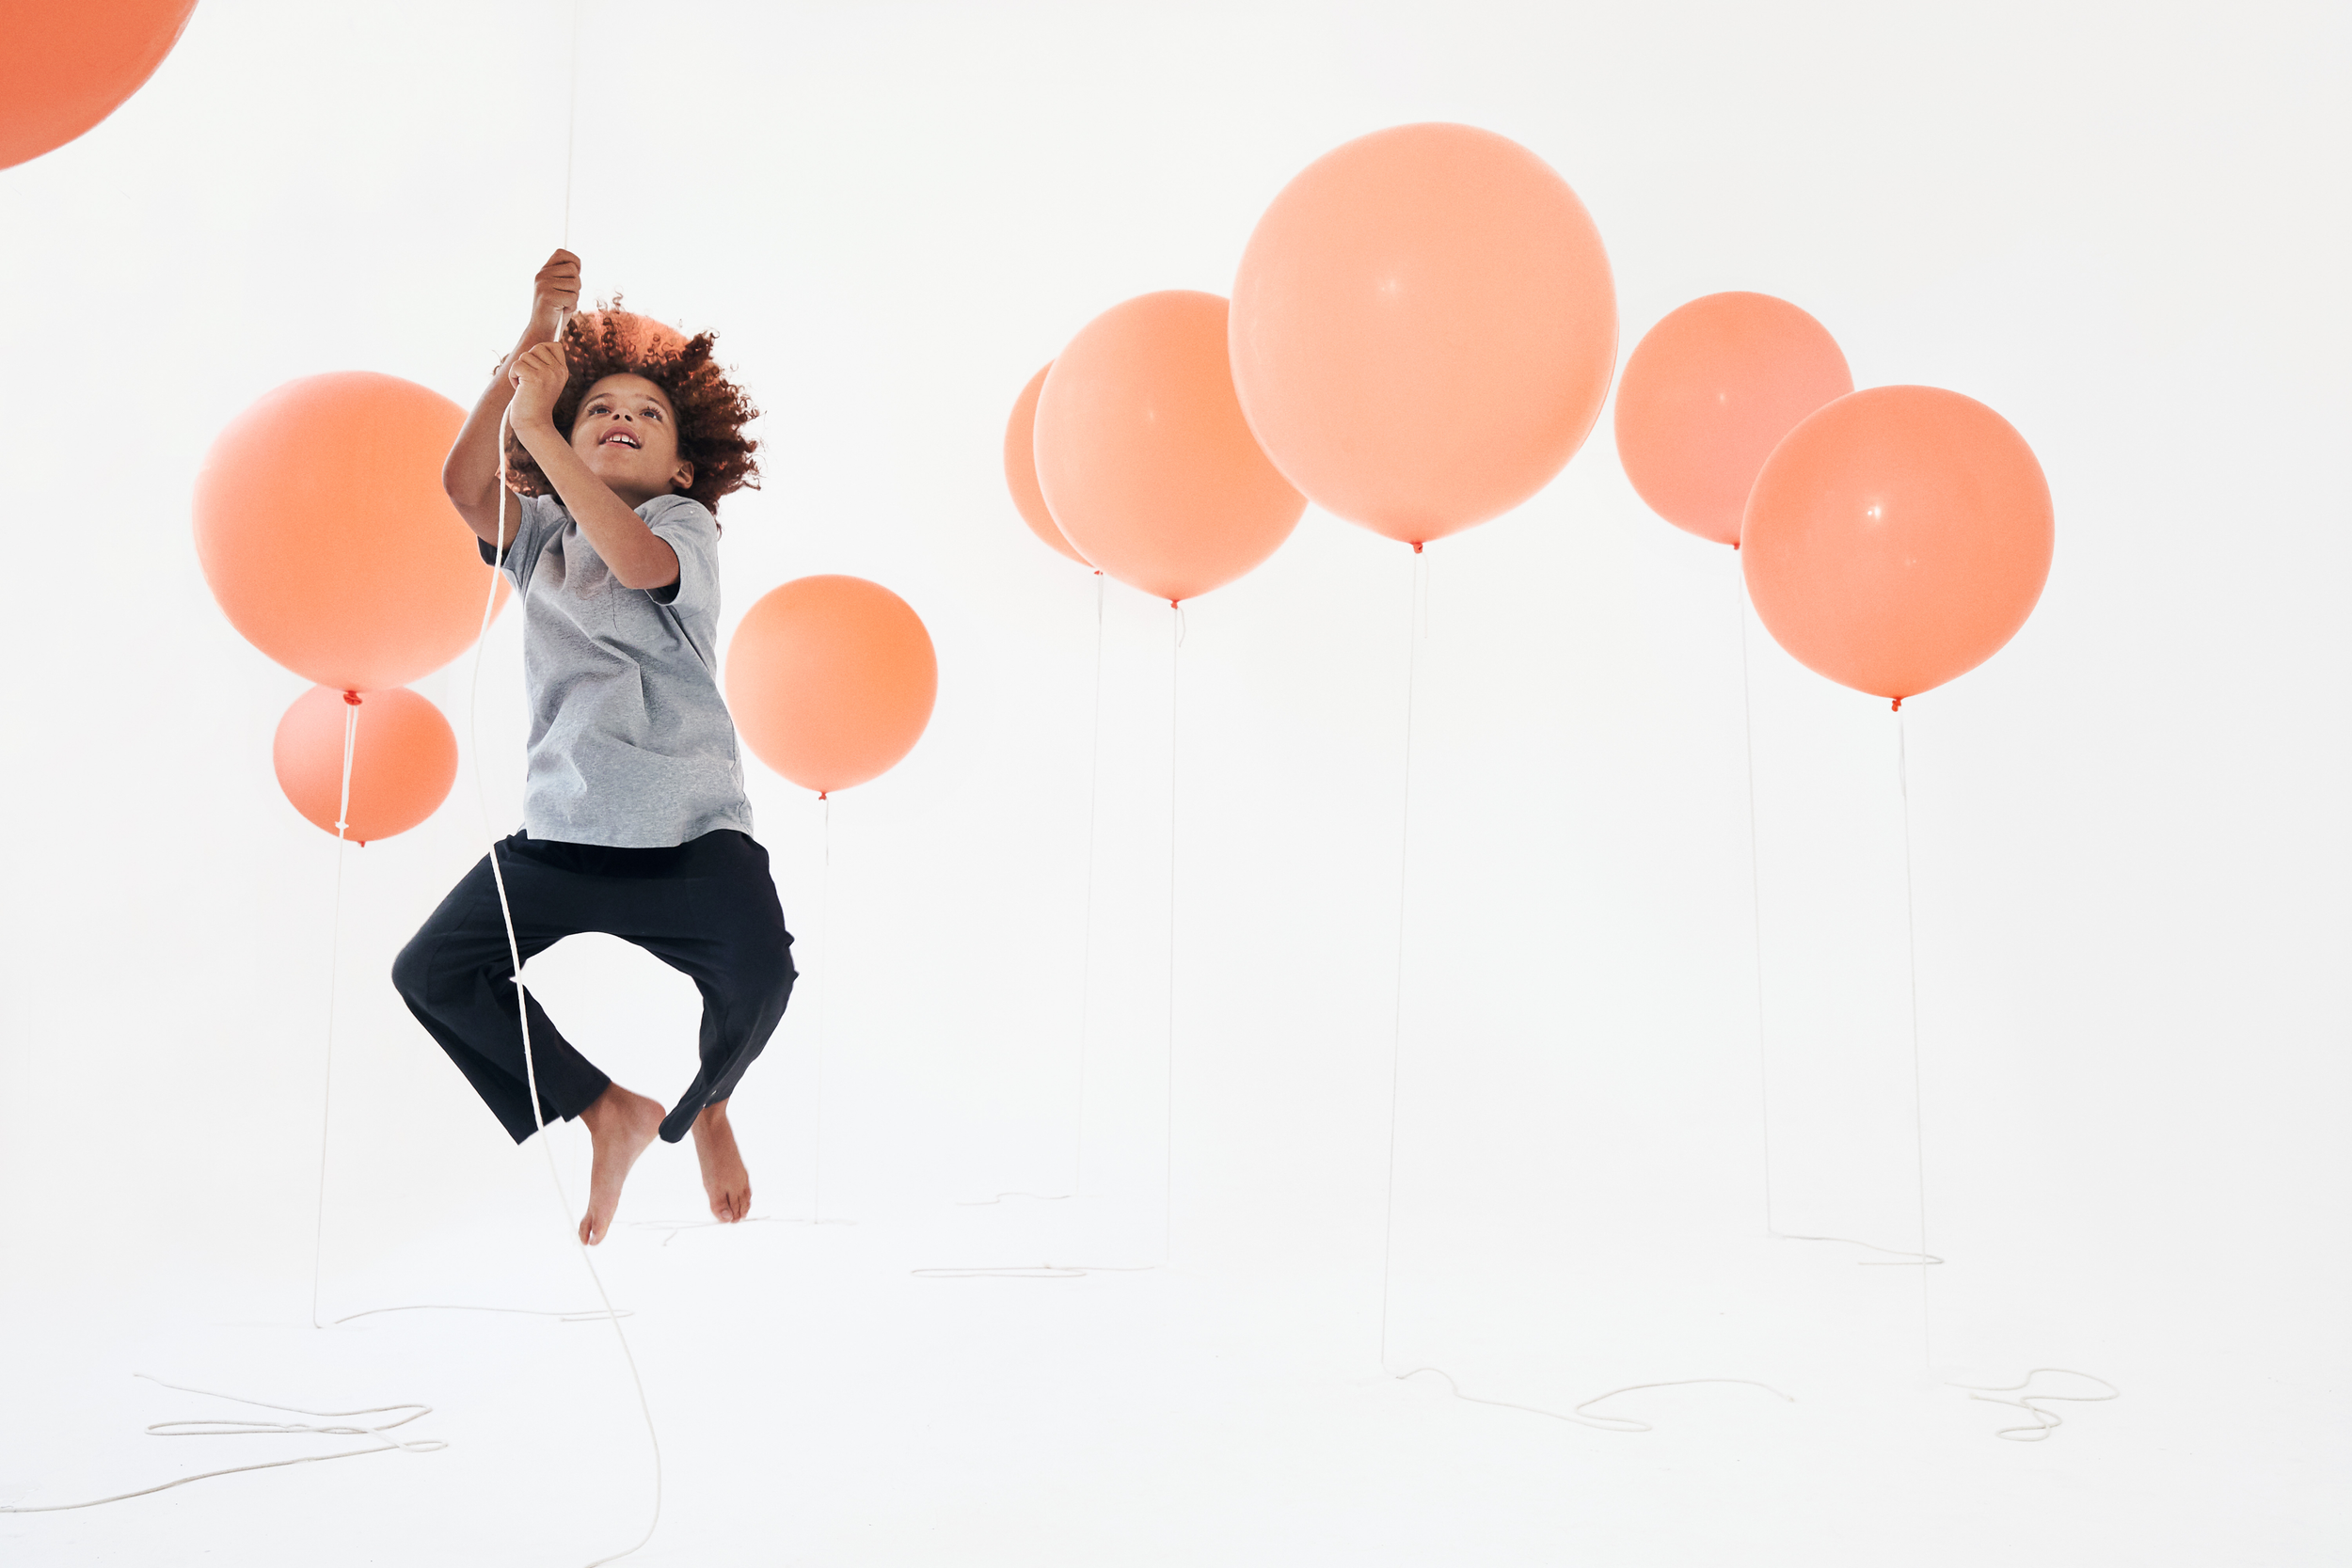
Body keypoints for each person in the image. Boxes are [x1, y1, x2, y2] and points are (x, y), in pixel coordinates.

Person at [392, 249, 793, 1244]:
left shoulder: (680, 526)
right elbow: (459, 481)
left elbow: (635, 558)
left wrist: (545, 427)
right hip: (566, 838)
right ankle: (604, 1108)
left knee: (761, 973)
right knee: (431, 971)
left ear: (683, 466)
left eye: (647, 416)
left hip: (690, 838)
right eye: (597, 407)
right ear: (562, 438)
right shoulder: (539, 538)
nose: (621, 416)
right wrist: (536, 334)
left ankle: (708, 1102)